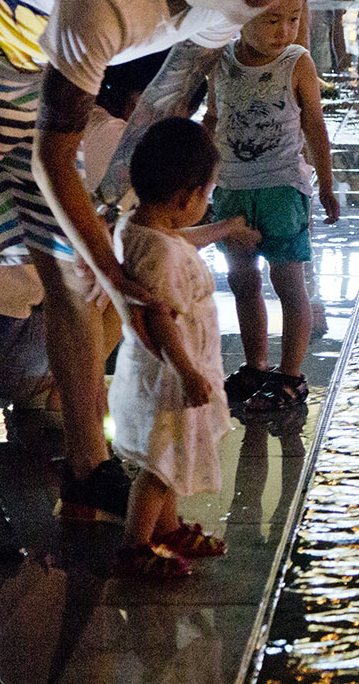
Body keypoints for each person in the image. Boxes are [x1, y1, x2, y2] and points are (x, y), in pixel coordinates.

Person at [0, 0, 302, 523]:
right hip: (4, 40)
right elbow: (53, 157)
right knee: (72, 265)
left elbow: (170, 99)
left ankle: (86, 470)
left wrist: (118, 204)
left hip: (35, 49)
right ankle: (85, 466)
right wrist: (116, 274)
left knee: (70, 261)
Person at [110, 118, 253, 579]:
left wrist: (225, 228)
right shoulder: (163, 255)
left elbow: (182, 236)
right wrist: (189, 372)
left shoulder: (140, 227)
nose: (206, 203)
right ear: (183, 198)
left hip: (160, 374)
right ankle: (135, 548)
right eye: (207, 194)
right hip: (170, 377)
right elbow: (161, 318)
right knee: (158, 468)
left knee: (167, 456)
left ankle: (167, 531)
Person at [205, 0, 338, 415]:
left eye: (293, 19)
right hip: (233, 189)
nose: (285, 31)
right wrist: (202, 181)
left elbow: (315, 127)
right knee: (242, 279)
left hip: (283, 188)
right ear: (241, 18)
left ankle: (290, 375)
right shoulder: (220, 61)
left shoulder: (297, 63)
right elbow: (212, 117)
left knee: (288, 282)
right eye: (272, 20)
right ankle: (256, 367)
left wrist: (326, 182)